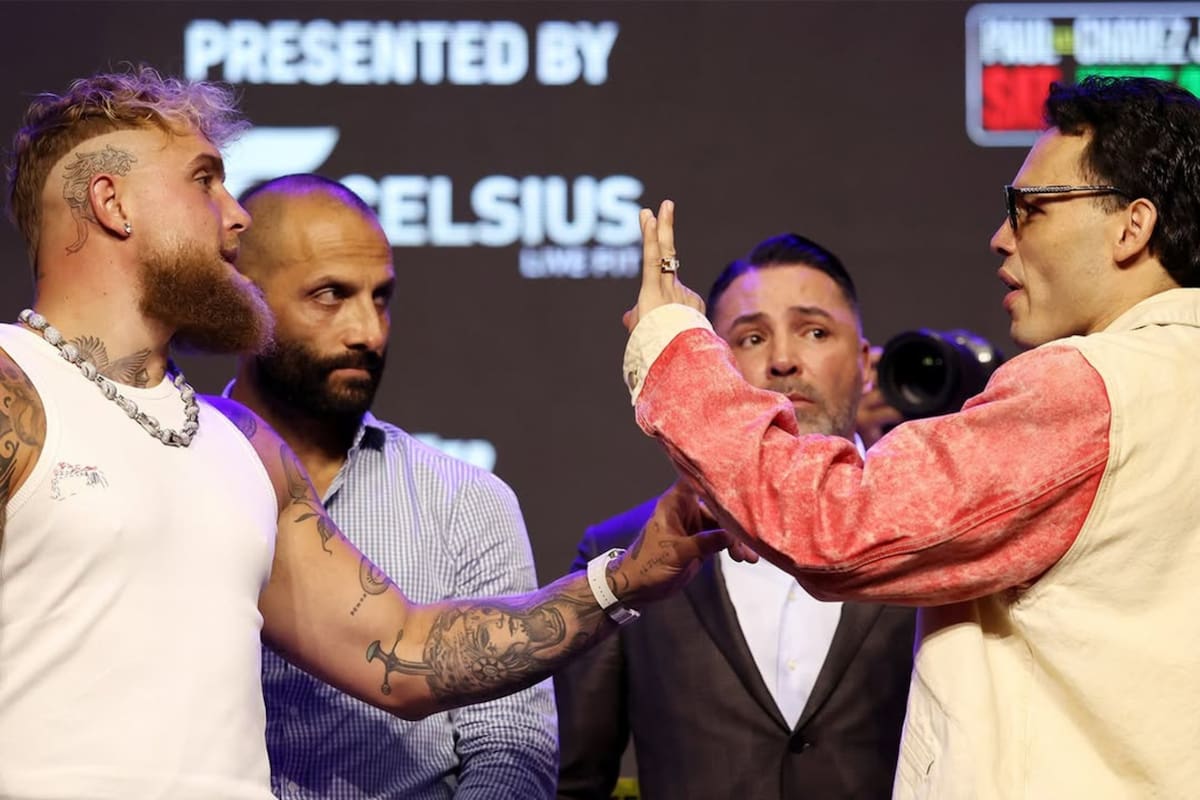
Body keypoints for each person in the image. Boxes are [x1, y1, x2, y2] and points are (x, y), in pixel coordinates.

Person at [0, 66, 728, 800]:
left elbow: (404, 649)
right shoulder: (10, 390)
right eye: (204, 180)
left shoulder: (241, 445)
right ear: (111, 201)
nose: (236, 215)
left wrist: (625, 577)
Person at [620, 76, 1200, 797]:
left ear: (1131, 226)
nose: (1000, 237)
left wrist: (675, 349)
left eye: (1029, 210)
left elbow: (832, 525)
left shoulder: (1087, 389)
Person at [227, 174, 557, 799]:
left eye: (381, 298)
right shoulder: (175, 472)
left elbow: (512, 746)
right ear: (245, 299)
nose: (369, 332)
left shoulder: (465, 501)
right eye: (330, 296)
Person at [556, 235, 914, 799]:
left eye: (815, 331)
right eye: (750, 337)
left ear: (868, 364)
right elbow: (575, 783)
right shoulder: (625, 552)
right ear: (713, 367)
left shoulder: (928, 526)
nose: (783, 360)